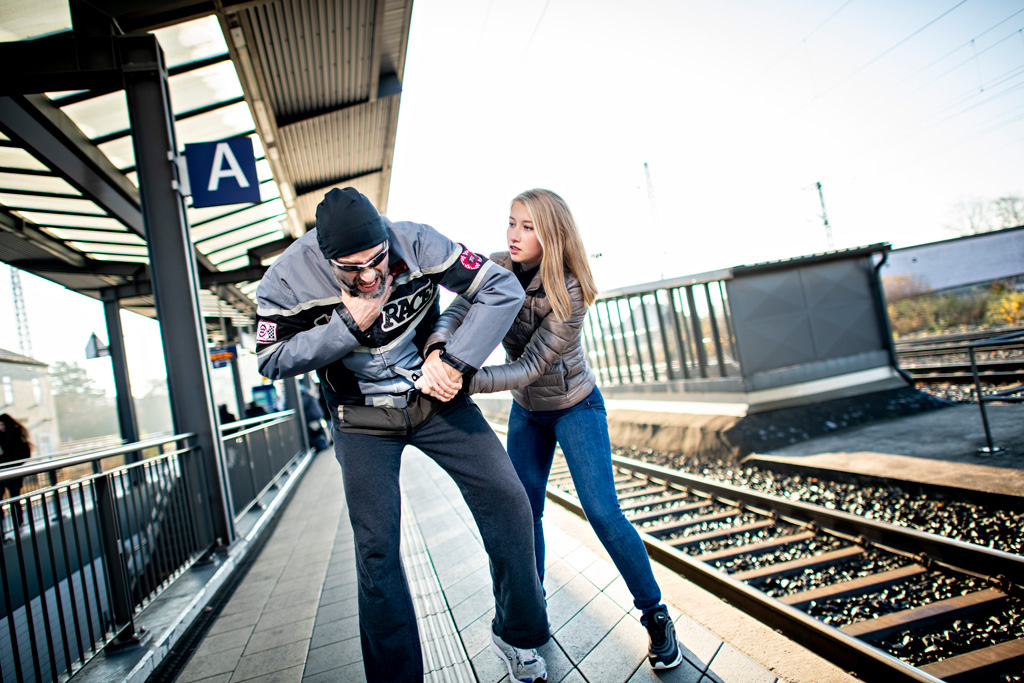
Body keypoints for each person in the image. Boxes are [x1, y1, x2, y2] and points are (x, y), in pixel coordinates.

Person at [254, 187, 549, 682]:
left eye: (377, 261)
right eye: (351, 269)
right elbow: (270, 358)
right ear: (324, 256)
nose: (369, 277)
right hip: (361, 418)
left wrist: (453, 360)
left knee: (508, 499)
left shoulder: (418, 243)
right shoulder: (286, 277)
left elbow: (501, 289)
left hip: (435, 399)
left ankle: (515, 636)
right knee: (377, 550)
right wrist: (348, 324)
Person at [422, 188, 684, 670]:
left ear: (552, 233)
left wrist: (463, 381)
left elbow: (530, 367)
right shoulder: (496, 265)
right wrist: (439, 348)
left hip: (573, 406)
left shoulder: (571, 289)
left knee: (603, 512)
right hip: (528, 412)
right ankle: (531, 610)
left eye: (528, 226)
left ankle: (656, 615)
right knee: (524, 511)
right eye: (511, 222)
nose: (514, 234)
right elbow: (458, 310)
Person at [0, 413, 31, 530]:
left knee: (15, 498)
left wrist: (10, 462)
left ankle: (19, 523)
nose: (1, 427)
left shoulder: (17, 434)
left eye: (2, 425)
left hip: (13, 472)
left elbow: (25, 454)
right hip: (3, 473)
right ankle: (3, 528)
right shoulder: (2, 436)